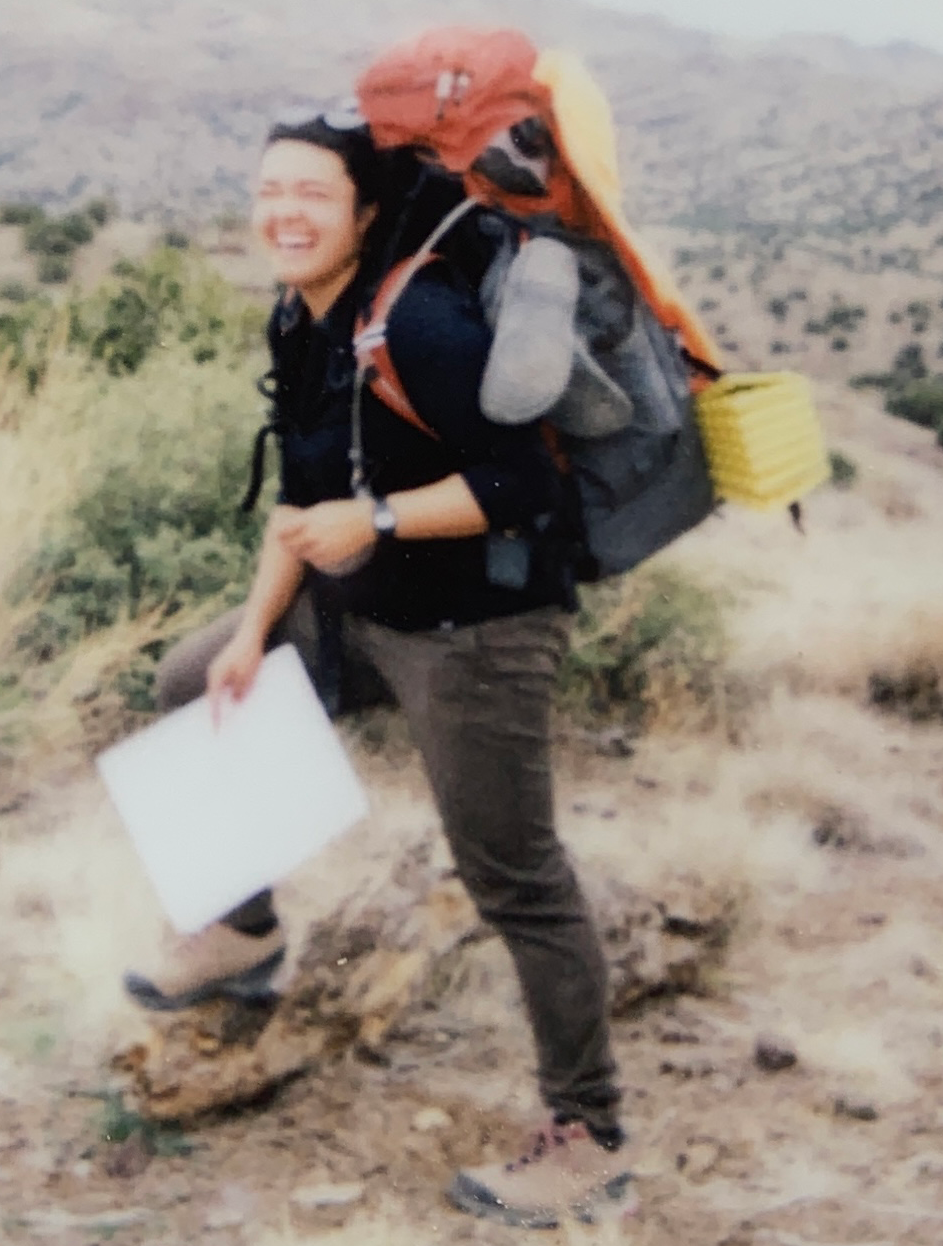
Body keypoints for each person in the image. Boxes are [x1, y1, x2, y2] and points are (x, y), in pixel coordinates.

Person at [121, 108, 629, 1229]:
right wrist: (254, 633)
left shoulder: (424, 323)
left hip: (480, 631)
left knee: (513, 874)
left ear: (361, 214)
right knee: (190, 678)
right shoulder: (302, 319)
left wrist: (383, 518)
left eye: (310, 192)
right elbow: (302, 505)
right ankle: (243, 931)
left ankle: (587, 1136)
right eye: (268, 190)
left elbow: (525, 492)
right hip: (361, 609)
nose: (283, 211)